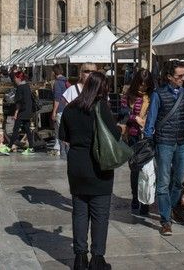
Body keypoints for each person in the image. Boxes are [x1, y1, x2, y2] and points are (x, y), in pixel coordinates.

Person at [59, 71, 119, 270]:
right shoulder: (101, 108)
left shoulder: (70, 108)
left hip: (77, 165)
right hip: (98, 166)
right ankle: (97, 259)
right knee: (100, 214)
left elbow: (63, 136)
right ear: (102, 88)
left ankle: (80, 257)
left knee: (80, 213)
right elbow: (114, 135)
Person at [144, 60, 184, 236]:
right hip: (164, 142)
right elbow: (151, 118)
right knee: (163, 182)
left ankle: (169, 207)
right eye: (179, 76)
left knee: (179, 180)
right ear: (169, 77)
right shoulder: (158, 94)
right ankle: (166, 220)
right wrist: (149, 139)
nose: (183, 78)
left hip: (181, 142)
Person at [121, 67, 154, 215]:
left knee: (147, 171)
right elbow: (122, 113)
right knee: (135, 169)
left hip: (148, 138)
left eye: (146, 84)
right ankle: (135, 197)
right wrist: (135, 118)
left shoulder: (153, 96)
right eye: (141, 84)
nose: (143, 87)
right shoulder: (129, 95)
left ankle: (145, 201)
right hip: (133, 137)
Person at [5, 71, 35, 154]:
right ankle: (31, 148)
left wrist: (16, 113)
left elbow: (18, 102)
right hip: (28, 111)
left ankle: (8, 147)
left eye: (15, 78)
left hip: (22, 111)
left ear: (18, 78)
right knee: (27, 129)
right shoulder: (27, 86)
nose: (14, 80)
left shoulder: (20, 88)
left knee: (15, 130)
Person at [50, 64, 69, 157]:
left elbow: (57, 98)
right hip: (67, 108)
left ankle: (62, 150)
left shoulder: (57, 83)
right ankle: (57, 147)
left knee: (60, 129)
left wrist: (54, 111)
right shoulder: (66, 81)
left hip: (60, 109)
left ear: (54, 72)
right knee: (59, 129)